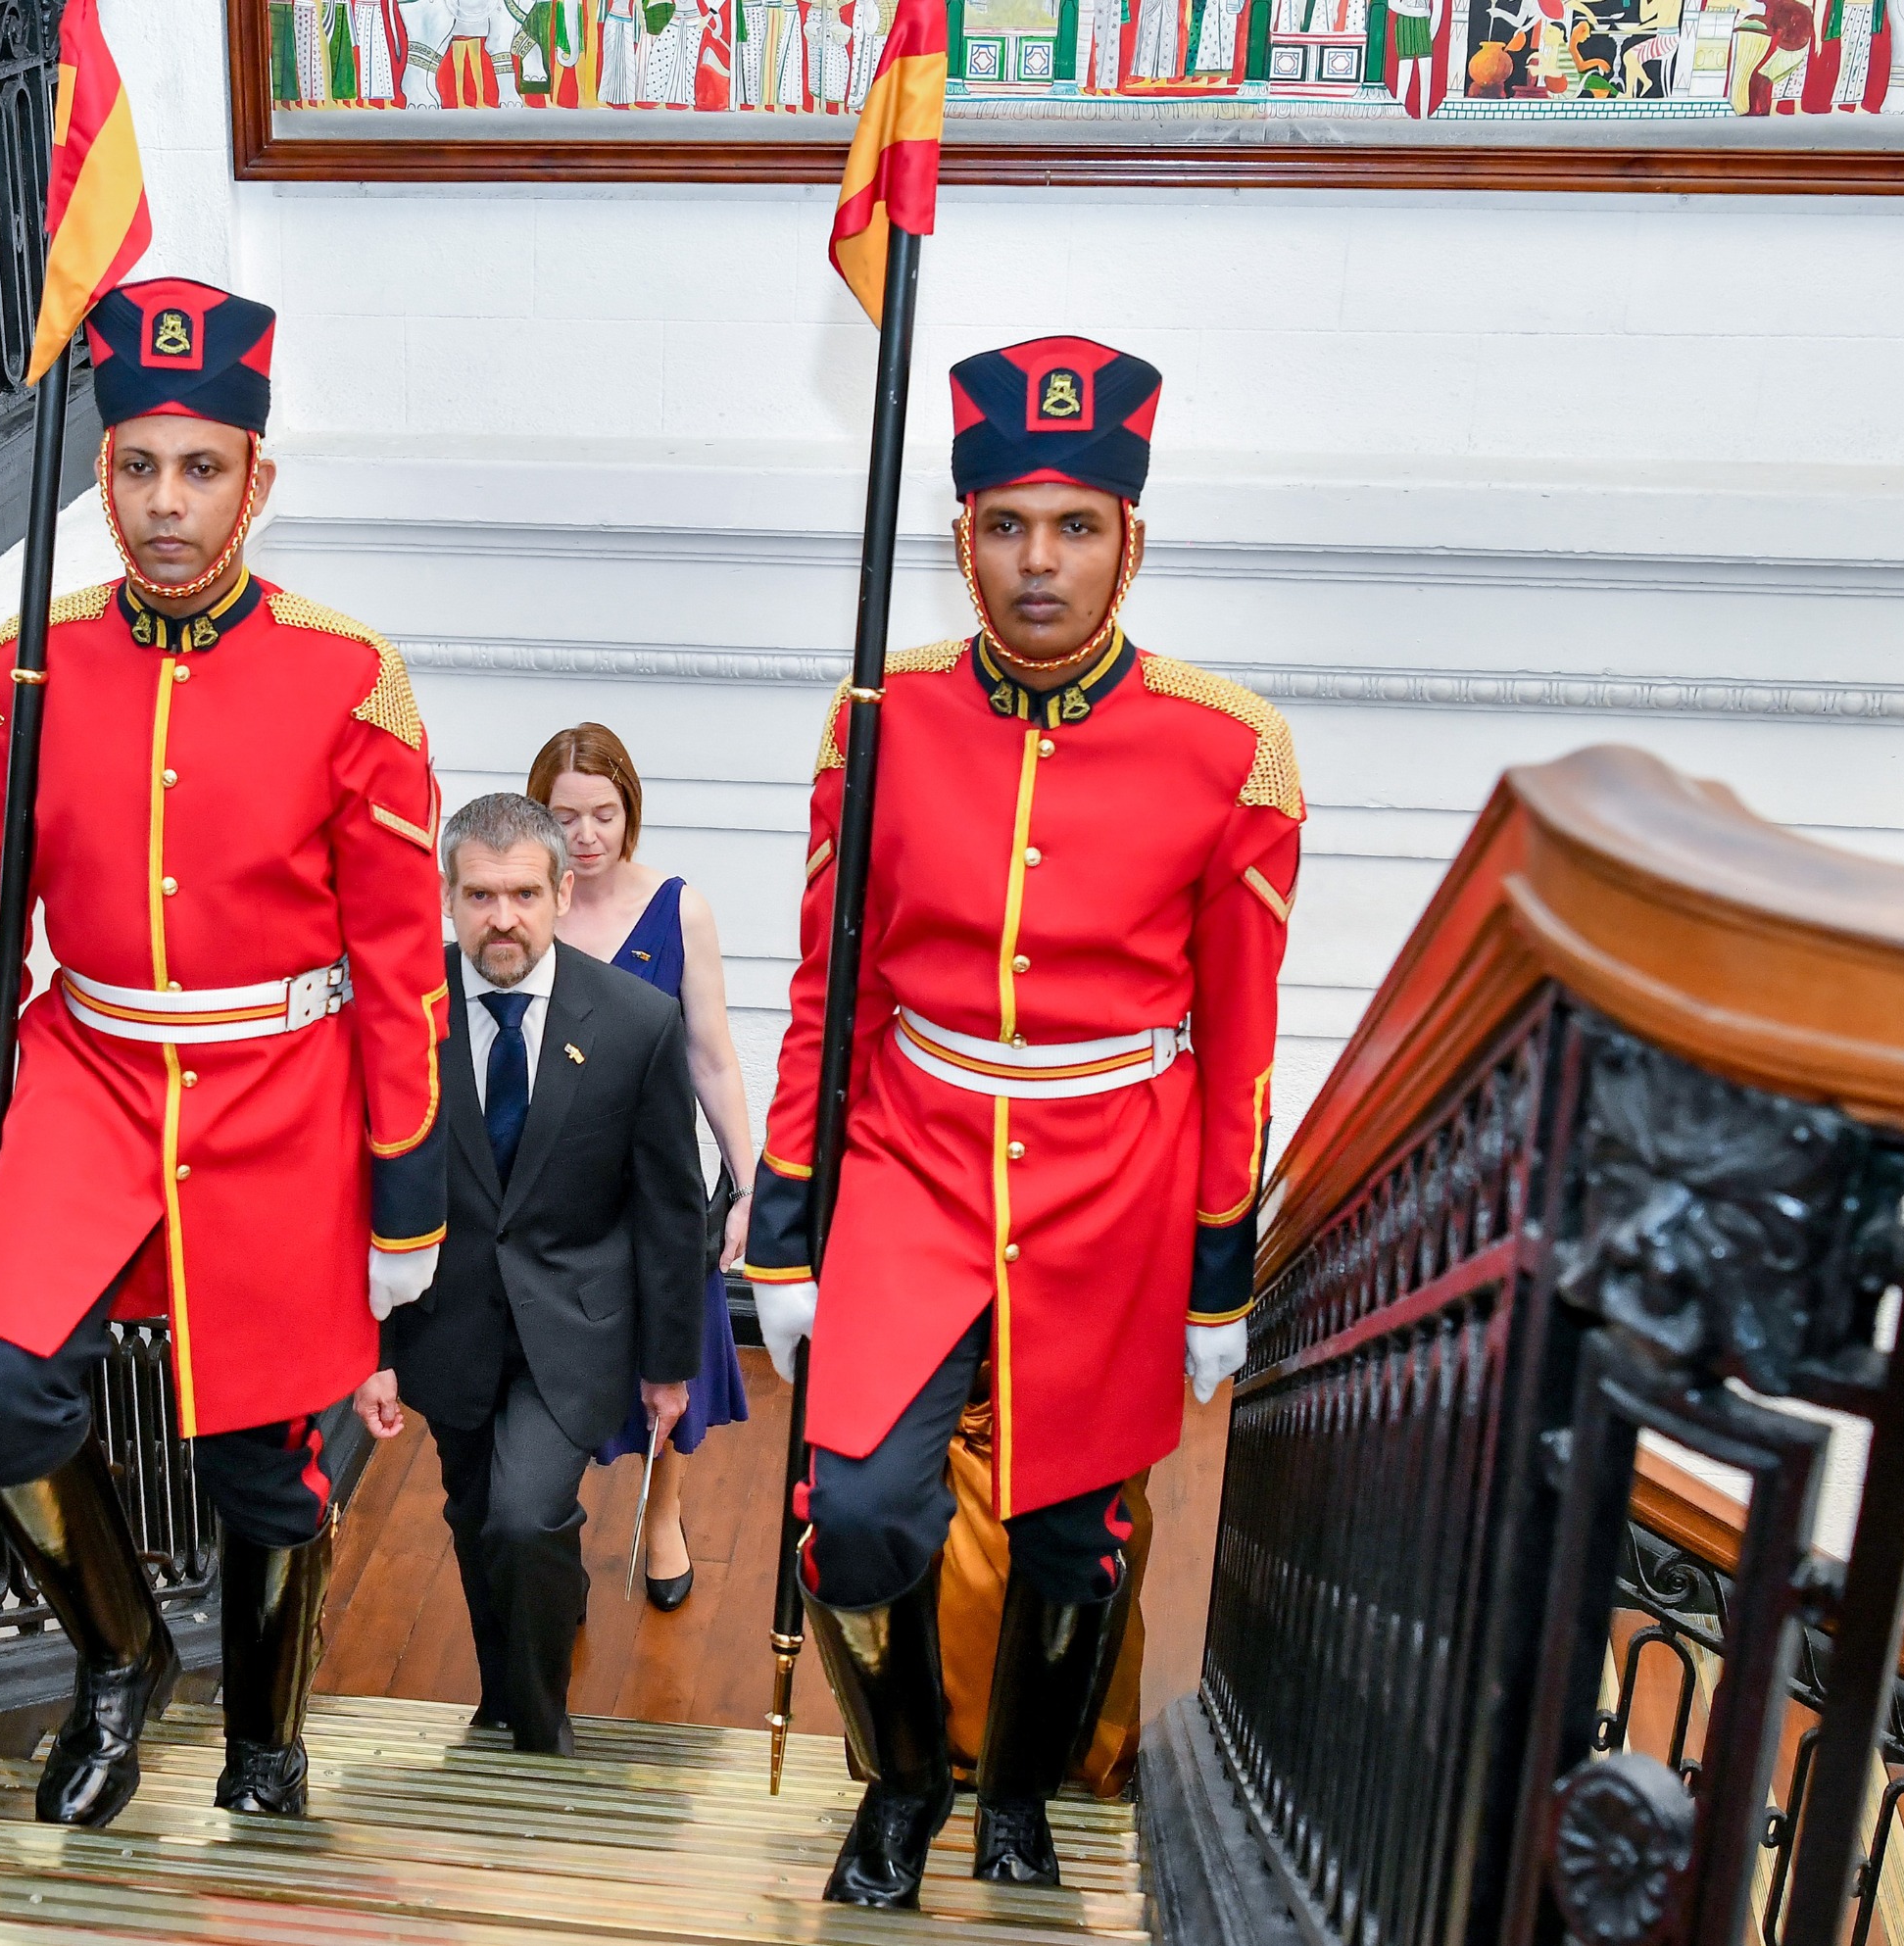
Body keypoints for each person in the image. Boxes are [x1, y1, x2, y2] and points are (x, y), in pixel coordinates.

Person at [742, 337, 1301, 1907]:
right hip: (913, 1162)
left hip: (1116, 1183)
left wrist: (1218, 1268)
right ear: (961, 534)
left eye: (1074, 526)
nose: (1038, 561)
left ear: (1133, 539)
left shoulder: (1232, 749)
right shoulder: (882, 718)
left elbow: (1242, 1039)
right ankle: (903, 1779)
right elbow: (829, 989)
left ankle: (1020, 1797)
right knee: (855, 1514)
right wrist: (786, 1224)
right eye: (1006, 525)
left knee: (1075, 1539)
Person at [0, 277, 449, 1829]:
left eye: (200, 468)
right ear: (101, 472)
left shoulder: (350, 676)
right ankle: (121, 1652)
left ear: (254, 479)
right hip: (88, 1075)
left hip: (282, 1097)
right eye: (139, 466)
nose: (166, 503)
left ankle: (265, 1745)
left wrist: (405, 1197)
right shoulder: (29, 663)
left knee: (261, 1461)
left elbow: (402, 965)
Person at [354, 794, 707, 1756]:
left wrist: (669, 1366)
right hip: (444, 1323)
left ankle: (541, 1726)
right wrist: (366, 1347)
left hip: (576, 1326)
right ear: (448, 898)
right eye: (479, 895)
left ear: (561, 895)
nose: (501, 918)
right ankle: (501, 1698)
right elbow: (355, 1189)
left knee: (524, 1515)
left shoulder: (635, 1022)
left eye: (521, 895)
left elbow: (671, 1209)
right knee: (475, 1516)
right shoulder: (397, 1015)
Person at [528, 724, 752, 1613]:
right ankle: (552, 1524)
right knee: (552, 1371)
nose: (586, 835)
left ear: (630, 812)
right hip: (552, 1188)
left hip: (657, 1184)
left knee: (670, 1360)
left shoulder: (679, 907)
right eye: (565, 817)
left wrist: (749, 1184)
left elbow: (713, 1057)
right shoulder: (523, 907)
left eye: (604, 814)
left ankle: (664, 1512)